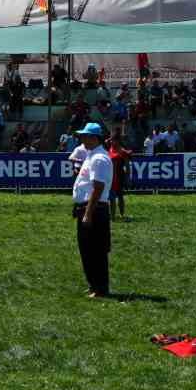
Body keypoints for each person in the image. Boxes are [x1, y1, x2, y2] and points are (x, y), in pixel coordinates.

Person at [72, 123, 113, 298]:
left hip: (94, 209)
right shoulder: (91, 156)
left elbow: (98, 187)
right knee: (87, 249)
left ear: (94, 138)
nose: (82, 139)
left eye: (85, 136)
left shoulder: (99, 159)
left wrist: (88, 213)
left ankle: (100, 288)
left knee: (95, 250)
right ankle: (94, 285)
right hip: (87, 208)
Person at [107, 131, 132, 220]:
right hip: (110, 177)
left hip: (119, 177)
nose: (111, 142)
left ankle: (121, 214)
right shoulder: (109, 149)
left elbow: (127, 166)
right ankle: (112, 216)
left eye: (112, 140)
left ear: (117, 141)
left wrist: (127, 178)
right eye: (110, 140)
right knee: (111, 197)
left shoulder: (123, 151)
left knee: (120, 196)